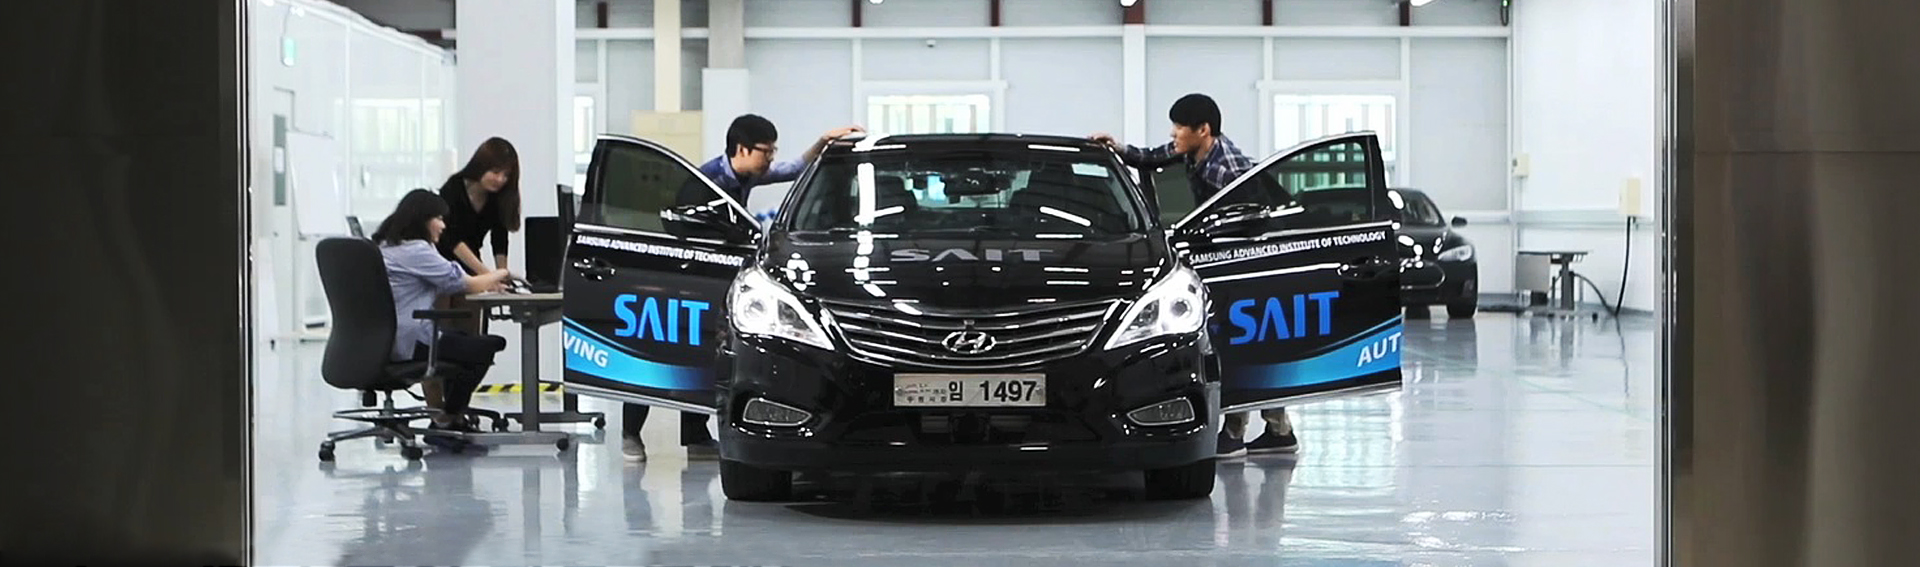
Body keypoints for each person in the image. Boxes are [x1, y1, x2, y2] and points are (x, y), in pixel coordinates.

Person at [622, 114, 864, 462]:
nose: (770, 159)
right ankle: (631, 433)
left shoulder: (745, 174)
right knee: (657, 354)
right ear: (742, 149)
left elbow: (793, 169)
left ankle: (693, 433)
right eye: (766, 152)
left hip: (711, 280)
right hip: (680, 282)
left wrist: (823, 141)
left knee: (705, 353)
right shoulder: (708, 183)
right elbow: (679, 232)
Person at [1090, 93, 1298, 458]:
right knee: (1250, 343)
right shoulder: (1193, 151)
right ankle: (1279, 431)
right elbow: (1154, 157)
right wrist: (1118, 148)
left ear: (1203, 130)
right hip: (1226, 259)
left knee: (1241, 344)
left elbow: (1251, 222)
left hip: (1249, 264)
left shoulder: (1228, 170)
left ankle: (1234, 433)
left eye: (1179, 128)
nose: (1173, 134)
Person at [372, 189, 515, 448]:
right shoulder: (416, 251)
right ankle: (447, 420)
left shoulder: (387, 247)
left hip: (386, 339)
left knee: (463, 340)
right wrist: (501, 273)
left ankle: (447, 419)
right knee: (486, 347)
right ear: (422, 219)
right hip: (412, 340)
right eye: (438, 218)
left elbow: (450, 282)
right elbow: (468, 284)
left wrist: (483, 281)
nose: (443, 224)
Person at [424, 137, 521, 412]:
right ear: (481, 165)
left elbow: (500, 238)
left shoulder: (497, 198)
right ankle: (437, 414)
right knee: (439, 340)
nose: (500, 180)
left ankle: (456, 411)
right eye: (496, 172)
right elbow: (451, 241)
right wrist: (490, 275)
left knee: (469, 343)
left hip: (472, 268)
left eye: (506, 175)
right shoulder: (453, 189)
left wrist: (501, 274)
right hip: (442, 267)